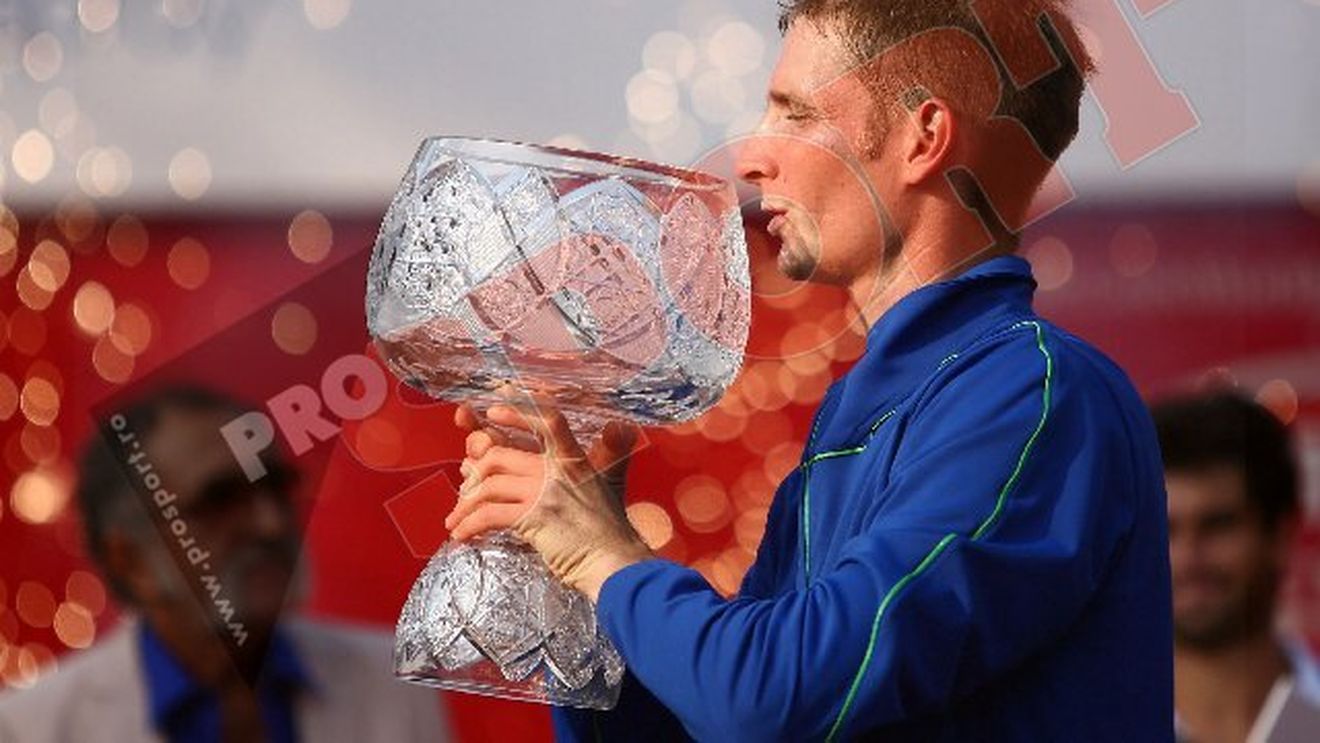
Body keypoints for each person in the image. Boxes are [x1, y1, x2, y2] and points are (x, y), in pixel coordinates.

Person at [446, 0, 1175, 740]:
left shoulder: (1035, 397)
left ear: (924, 138)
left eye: (794, 114)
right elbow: (721, 717)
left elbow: (776, 697)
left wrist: (605, 555)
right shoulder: (877, 409)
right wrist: (579, 572)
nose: (748, 157)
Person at [0, 386, 449, 743]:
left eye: (275, 487)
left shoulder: (392, 683)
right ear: (131, 559)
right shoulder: (33, 729)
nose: (271, 525)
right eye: (221, 500)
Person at [1153, 392, 1320, 743]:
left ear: (1280, 535)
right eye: (1166, 530)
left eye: (1218, 525)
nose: (1187, 558)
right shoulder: (1080, 730)